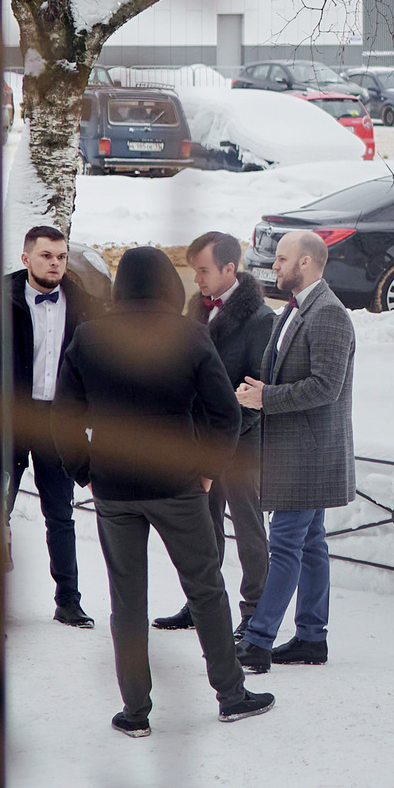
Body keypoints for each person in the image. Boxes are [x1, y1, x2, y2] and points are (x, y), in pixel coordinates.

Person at [54, 245, 274, 735]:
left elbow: (64, 415)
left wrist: (83, 469)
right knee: (206, 590)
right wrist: (208, 469)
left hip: (114, 487)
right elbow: (227, 413)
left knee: (126, 602)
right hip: (177, 484)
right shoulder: (190, 334)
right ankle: (231, 694)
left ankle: (135, 712)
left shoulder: (90, 336)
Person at [234, 229, 354, 673]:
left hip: (310, 452)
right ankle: (310, 637)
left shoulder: (329, 315)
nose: (274, 265)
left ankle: (259, 641)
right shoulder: (292, 310)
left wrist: (267, 398)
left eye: (282, 258)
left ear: (305, 263)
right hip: (294, 448)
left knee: (285, 545)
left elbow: (327, 387)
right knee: (311, 543)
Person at [154, 231, 274, 633]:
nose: (197, 280)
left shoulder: (260, 319)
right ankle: (201, 603)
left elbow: (257, 389)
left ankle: (254, 612)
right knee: (203, 529)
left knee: (248, 528)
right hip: (199, 441)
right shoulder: (197, 309)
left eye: (203, 271)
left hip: (241, 442)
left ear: (229, 268)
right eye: (194, 271)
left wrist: (232, 434)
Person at [7, 224, 99, 628]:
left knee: (60, 514)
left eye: (61, 257)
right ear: (26, 258)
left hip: (58, 422)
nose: (55, 264)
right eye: (46, 256)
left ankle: (69, 600)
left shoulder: (83, 305)